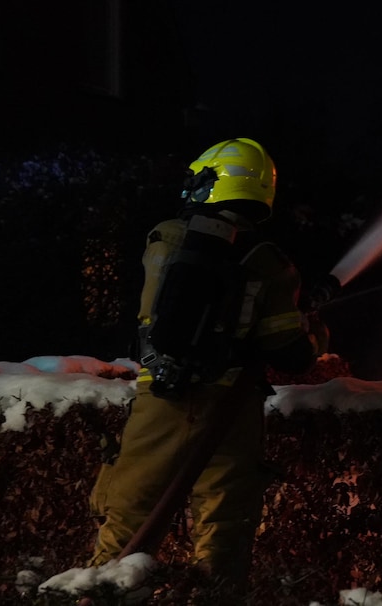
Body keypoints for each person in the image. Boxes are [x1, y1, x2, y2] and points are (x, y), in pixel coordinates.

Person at [87, 138, 328, 588]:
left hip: (159, 397)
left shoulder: (165, 238)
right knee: (224, 525)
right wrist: (314, 324)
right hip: (230, 406)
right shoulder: (271, 264)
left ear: (208, 182)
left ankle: (102, 594)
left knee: (130, 511)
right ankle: (213, 598)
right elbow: (292, 354)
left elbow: (150, 317)